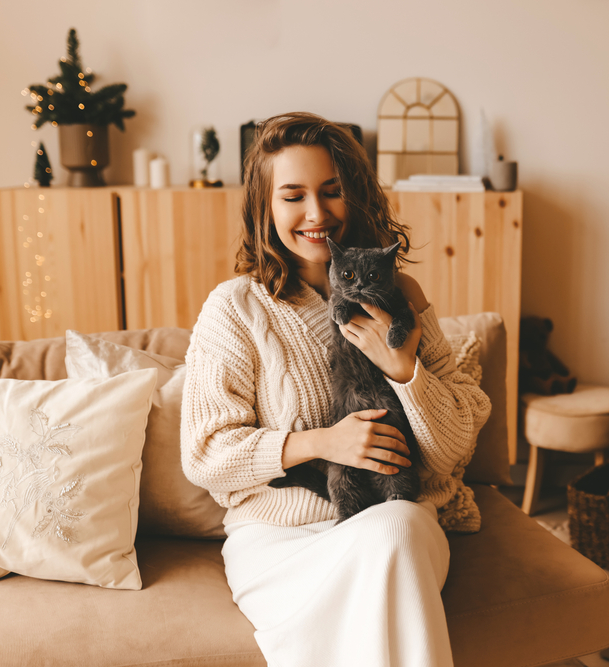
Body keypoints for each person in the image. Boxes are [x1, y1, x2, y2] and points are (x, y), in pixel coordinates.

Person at [179, 112, 492, 667]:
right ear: (265, 208)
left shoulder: (405, 297)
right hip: (281, 540)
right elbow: (205, 456)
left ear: (358, 197)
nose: (316, 214)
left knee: (395, 530)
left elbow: (456, 446)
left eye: (332, 192)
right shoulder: (236, 308)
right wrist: (323, 443)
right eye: (293, 195)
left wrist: (403, 370)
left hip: (397, 527)